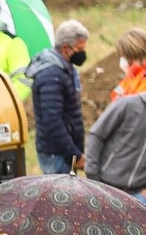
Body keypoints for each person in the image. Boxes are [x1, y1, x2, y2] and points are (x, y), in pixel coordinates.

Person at [86, 66, 146, 207]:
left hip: (138, 197)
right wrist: (93, 178)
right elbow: (96, 136)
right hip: (105, 188)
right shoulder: (127, 105)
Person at [24, 19, 89, 175]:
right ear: (66, 48)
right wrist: (74, 154)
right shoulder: (51, 75)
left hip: (63, 153)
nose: (83, 53)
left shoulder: (65, 69)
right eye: (79, 49)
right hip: (57, 154)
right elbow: (52, 121)